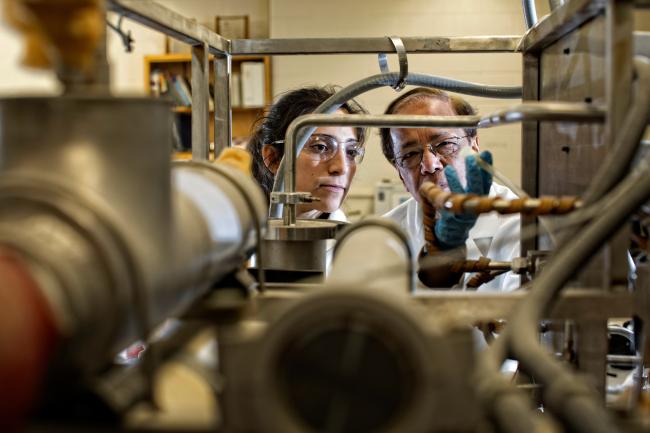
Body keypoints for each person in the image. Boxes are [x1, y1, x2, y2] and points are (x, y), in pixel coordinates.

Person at [380, 87, 520, 291]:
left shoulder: (520, 225)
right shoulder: (384, 236)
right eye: (410, 155)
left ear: (474, 147)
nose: (430, 165)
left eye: (445, 143)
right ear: (401, 175)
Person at [248, 86, 367, 221]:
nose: (341, 168)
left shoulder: (351, 235)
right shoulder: (236, 225)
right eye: (320, 147)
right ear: (273, 159)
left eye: (351, 152)